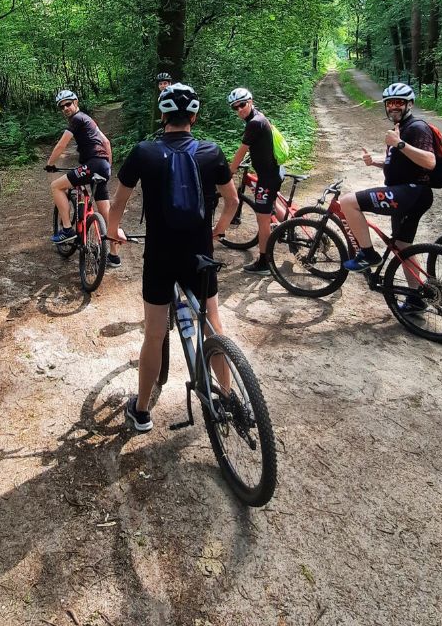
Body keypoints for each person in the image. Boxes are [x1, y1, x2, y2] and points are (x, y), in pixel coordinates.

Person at [107, 83, 239, 432]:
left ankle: (141, 411)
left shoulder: (144, 152)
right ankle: (227, 397)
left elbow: (117, 203)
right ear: (194, 116)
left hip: (161, 256)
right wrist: (216, 232)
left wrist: (113, 232)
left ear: (163, 116)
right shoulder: (211, 151)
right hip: (200, 254)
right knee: (212, 322)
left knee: (154, 334)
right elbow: (232, 201)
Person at [339, 83, 436, 310]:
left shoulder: (417, 127)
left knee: (348, 202)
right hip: (410, 193)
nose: (393, 107)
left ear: (409, 104)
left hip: (410, 192)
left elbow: (429, 161)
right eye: (390, 103)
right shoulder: (401, 127)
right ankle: (416, 298)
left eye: (399, 102)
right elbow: (403, 163)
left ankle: (368, 254)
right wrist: (376, 162)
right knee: (402, 247)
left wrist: (399, 143)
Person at [46, 89, 120, 267]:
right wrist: (107, 166)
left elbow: (62, 145)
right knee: (106, 213)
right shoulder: (89, 120)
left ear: (76, 102)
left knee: (56, 186)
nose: (65, 108)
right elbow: (106, 142)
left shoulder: (77, 119)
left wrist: (50, 164)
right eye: (62, 106)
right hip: (102, 167)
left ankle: (66, 229)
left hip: (92, 165)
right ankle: (114, 256)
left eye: (68, 104)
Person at [227, 87, 285, 274]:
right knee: (271, 205)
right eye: (235, 107)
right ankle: (290, 227)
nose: (239, 110)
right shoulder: (259, 116)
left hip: (267, 178)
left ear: (250, 101)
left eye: (242, 105)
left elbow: (242, 150)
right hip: (274, 171)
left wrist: (230, 171)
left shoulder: (254, 123)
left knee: (263, 219)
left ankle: (265, 262)